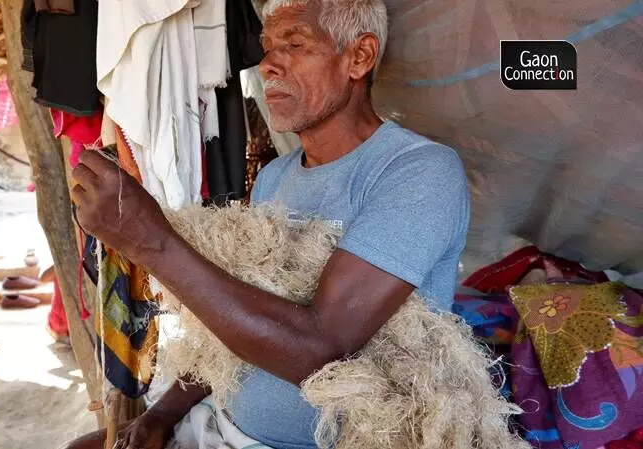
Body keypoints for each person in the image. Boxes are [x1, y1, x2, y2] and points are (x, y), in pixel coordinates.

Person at [65, 0, 470, 447]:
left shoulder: (419, 171)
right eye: (267, 47)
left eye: (294, 44)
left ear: (359, 57)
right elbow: (232, 318)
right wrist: (161, 416)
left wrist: (148, 239)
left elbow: (321, 348)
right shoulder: (276, 176)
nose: (268, 64)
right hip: (226, 423)